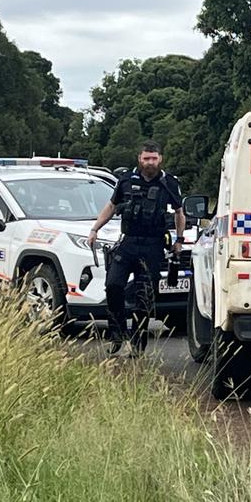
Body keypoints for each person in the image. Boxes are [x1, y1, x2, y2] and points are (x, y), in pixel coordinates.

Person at [87, 140, 184, 357]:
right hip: (129, 242)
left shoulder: (169, 183)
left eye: (154, 158)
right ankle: (117, 333)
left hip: (153, 245)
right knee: (113, 286)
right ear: (139, 159)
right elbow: (111, 206)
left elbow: (179, 212)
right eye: (146, 158)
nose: (150, 162)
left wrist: (179, 240)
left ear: (160, 159)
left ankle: (138, 342)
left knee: (144, 297)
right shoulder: (126, 180)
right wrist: (95, 229)